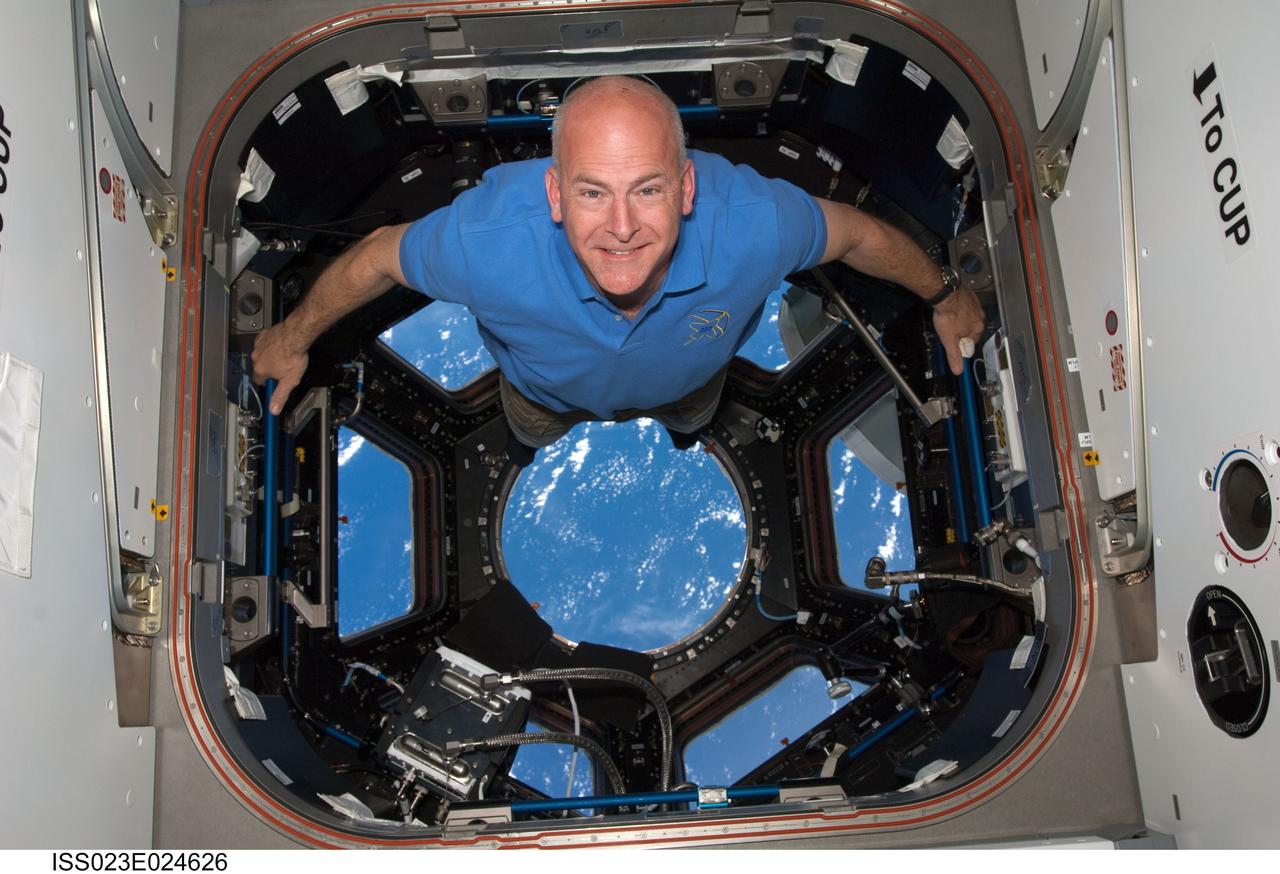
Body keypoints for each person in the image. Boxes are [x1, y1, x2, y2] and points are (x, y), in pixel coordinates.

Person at [252, 76, 984, 464]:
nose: (624, 228)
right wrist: (294, 334)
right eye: (593, 191)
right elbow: (379, 255)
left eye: (650, 188)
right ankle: (539, 439)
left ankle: (685, 428)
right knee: (532, 429)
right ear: (554, 194)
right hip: (540, 395)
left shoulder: (752, 225)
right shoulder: (489, 241)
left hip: (693, 386)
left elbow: (856, 236)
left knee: (691, 417)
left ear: (688, 186)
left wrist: (945, 294)